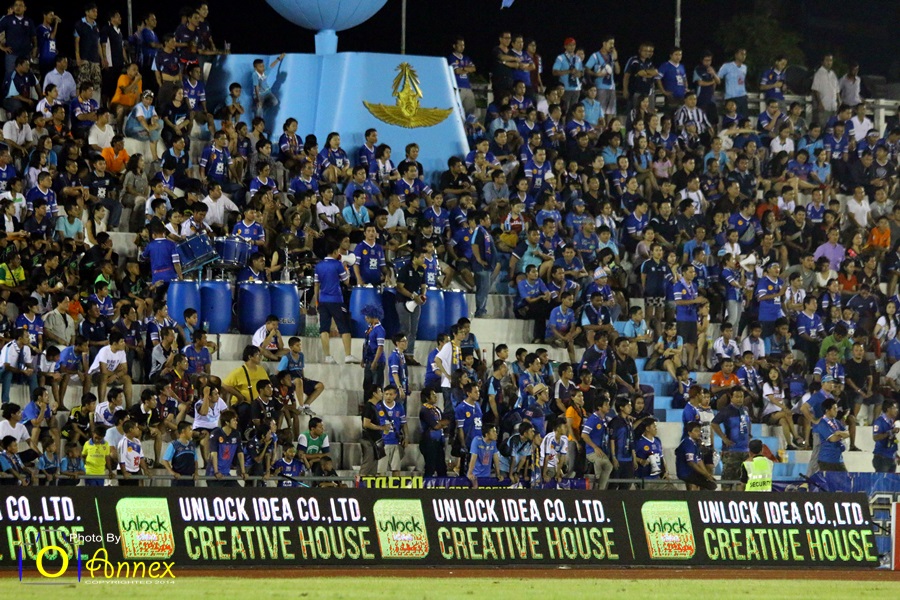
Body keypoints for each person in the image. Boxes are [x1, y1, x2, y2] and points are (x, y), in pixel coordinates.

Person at [314, 240, 358, 364]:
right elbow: (346, 281)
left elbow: (316, 285)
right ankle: (348, 355)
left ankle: (327, 356)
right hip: (336, 300)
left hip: (323, 301)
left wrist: (317, 301)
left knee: (324, 329)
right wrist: (345, 268)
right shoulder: (337, 265)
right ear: (335, 251)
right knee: (344, 328)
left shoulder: (318, 266)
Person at [711, 388, 751, 489]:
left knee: (742, 482)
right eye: (737, 397)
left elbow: (748, 423)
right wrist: (723, 438)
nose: (739, 399)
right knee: (727, 482)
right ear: (731, 397)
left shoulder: (745, 409)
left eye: (741, 397)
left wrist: (749, 435)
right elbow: (714, 423)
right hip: (731, 451)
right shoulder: (726, 410)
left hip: (745, 451)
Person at [581, 395, 613, 489]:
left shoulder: (604, 419)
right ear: (599, 407)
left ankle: (599, 488)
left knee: (606, 466)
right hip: (592, 451)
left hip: (602, 450)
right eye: (606, 404)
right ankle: (599, 487)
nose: (609, 406)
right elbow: (584, 435)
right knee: (605, 464)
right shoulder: (592, 420)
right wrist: (595, 447)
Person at [676, 422, 717, 490]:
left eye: (699, 430)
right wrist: (705, 474)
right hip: (685, 473)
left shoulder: (695, 443)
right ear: (689, 433)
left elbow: (699, 460)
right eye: (696, 431)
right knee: (711, 485)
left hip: (691, 472)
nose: (699, 433)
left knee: (710, 483)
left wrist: (707, 474)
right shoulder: (688, 443)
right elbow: (691, 462)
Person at [814, 398, 849, 472]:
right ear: (827, 410)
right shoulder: (822, 423)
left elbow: (848, 433)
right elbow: (832, 439)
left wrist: (839, 433)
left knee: (846, 478)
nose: (837, 410)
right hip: (827, 460)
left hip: (838, 459)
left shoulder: (837, 422)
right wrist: (842, 435)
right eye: (834, 409)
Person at [360, 386, 388, 477]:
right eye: (380, 392)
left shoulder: (374, 407)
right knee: (367, 466)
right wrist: (381, 428)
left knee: (373, 468)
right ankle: (359, 485)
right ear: (374, 394)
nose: (382, 394)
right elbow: (366, 424)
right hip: (369, 440)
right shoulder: (369, 407)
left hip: (375, 441)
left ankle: (370, 485)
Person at [161, 421, 198, 486]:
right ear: (183, 431)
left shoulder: (192, 445)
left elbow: (195, 461)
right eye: (190, 430)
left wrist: (196, 472)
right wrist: (173, 473)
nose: (192, 432)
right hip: (178, 481)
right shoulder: (174, 445)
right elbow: (165, 461)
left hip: (190, 480)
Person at [467, 423, 500, 489]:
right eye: (493, 432)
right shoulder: (477, 441)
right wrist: (470, 473)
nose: (496, 434)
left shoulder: (493, 443)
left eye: (496, 431)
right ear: (487, 434)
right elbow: (473, 458)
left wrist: (498, 474)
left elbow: (496, 459)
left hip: (487, 475)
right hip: (475, 475)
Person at [871, 399, 898, 473]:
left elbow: (891, 439)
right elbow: (875, 437)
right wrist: (890, 432)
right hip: (882, 457)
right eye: (895, 408)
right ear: (888, 409)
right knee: (881, 479)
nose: (897, 410)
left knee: (890, 480)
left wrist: (896, 455)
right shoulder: (879, 421)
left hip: (891, 457)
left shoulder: (891, 422)